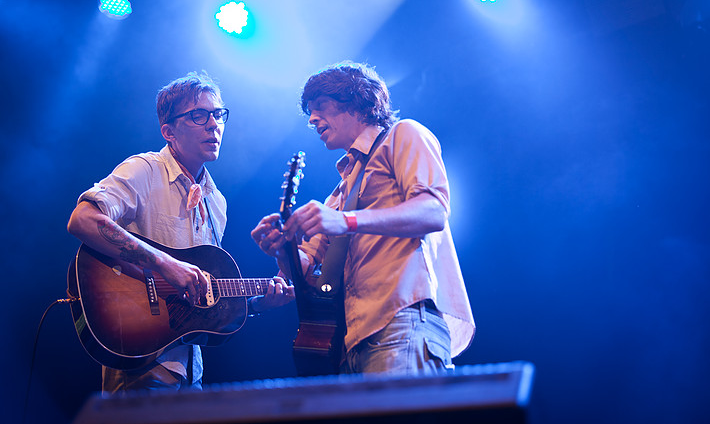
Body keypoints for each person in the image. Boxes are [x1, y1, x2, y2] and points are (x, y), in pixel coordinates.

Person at [67, 71, 294, 393]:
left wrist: (258, 303)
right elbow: (83, 219)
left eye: (218, 115)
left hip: (189, 369)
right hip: (140, 361)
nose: (214, 125)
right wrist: (164, 264)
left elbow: (206, 295)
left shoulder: (216, 202)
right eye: (199, 116)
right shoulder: (144, 170)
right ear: (168, 131)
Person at [251, 61, 474, 375]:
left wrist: (346, 221)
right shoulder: (340, 192)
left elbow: (434, 210)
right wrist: (280, 248)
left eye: (321, 106)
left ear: (355, 102)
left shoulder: (403, 134)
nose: (313, 118)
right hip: (349, 343)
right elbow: (302, 271)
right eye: (309, 111)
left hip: (401, 321)